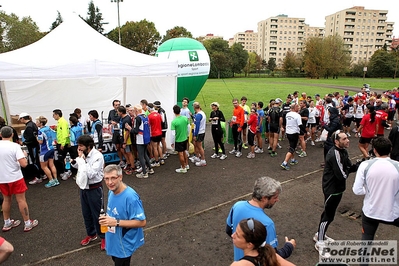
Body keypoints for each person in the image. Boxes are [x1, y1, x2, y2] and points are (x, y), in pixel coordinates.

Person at [353, 137, 399, 266]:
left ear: (374, 150)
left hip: (370, 212)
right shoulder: (397, 167)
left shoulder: (365, 165)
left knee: (366, 244)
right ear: (390, 150)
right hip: (393, 213)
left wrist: (370, 190)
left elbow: (357, 190)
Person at [226, 176, 296, 261]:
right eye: (275, 197)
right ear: (264, 198)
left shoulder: (237, 206)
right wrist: (289, 247)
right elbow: (272, 257)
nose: (277, 200)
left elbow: (229, 230)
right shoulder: (267, 223)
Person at [314, 130, 360, 258]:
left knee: (330, 215)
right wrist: (350, 170)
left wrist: (362, 163)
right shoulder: (334, 154)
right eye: (344, 139)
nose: (347, 140)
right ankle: (320, 241)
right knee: (327, 216)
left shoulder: (343, 151)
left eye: (347, 138)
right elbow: (342, 175)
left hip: (338, 188)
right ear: (336, 141)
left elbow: (350, 167)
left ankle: (320, 235)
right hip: (331, 190)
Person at [99, 164, 146, 266]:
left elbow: (142, 222)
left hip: (124, 244)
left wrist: (115, 222)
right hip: (114, 240)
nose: (109, 182)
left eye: (113, 178)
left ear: (120, 177)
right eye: (106, 179)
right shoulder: (111, 192)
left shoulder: (130, 197)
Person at [0, 126, 39, 232]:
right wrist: (25, 156)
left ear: (0, 134)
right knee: (21, 200)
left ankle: (7, 222)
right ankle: (27, 223)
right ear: (12, 135)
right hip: (15, 177)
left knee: (6, 199)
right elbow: (24, 164)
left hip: (2, 178)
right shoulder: (15, 146)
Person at [71, 134, 105, 250]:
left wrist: (82, 161)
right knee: (86, 213)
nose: (79, 148)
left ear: (88, 146)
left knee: (98, 214)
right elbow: (78, 167)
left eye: (81, 146)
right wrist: (75, 161)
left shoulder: (97, 156)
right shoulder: (83, 155)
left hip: (95, 188)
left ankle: (104, 237)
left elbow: (91, 173)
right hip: (84, 188)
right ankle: (91, 234)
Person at [230, 218, 295, 266]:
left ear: (250, 244)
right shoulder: (270, 255)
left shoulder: (240, 265)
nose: (232, 235)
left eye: (237, 235)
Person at [125, 105, 154, 179]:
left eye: (133, 110)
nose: (132, 112)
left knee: (141, 156)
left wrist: (129, 128)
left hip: (141, 139)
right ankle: (150, 169)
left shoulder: (137, 118)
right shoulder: (145, 116)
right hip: (146, 137)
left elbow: (136, 131)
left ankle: (144, 173)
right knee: (145, 154)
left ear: (136, 111)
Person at [36, 116, 59, 188]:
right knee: (52, 165)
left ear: (40, 123)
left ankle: (51, 180)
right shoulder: (49, 128)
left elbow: (40, 141)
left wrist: (36, 137)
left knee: (44, 167)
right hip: (51, 148)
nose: (36, 123)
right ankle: (56, 180)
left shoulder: (40, 131)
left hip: (44, 150)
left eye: (37, 122)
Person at [19, 112, 41, 185]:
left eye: (20, 119)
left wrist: (24, 143)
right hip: (35, 145)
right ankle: (41, 175)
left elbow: (31, 138)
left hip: (32, 146)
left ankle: (38, 177)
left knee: (35, 161)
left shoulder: (29, 126)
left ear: (23, 119)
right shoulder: (32, 124)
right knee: (36, 160)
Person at [280, 104, 301, 170]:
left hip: (288, 132)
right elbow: (300, 125)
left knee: (292, 146)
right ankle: (284, 162)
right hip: (294, 133)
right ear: (295, 108)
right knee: (292, 148)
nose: (299, 108)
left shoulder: (288, 114)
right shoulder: (297, 115)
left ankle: (292, 159)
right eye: (298, 107)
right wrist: (303, 132)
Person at [53, 109, 71, 180]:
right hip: (60, 142)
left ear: (57, 114)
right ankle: (64, 171)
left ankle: (66, 172)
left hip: (62, 143)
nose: (53, 116)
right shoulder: (59, 122)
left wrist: (63, 144)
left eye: (53, 115)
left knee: (62, 158)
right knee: (61, 158)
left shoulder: (63, 122)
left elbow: (65, 133)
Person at [171, 105, 190, 173]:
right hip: (185, 138)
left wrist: (172, 142)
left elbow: (173, 134)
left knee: (180, 153)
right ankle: (186, 164)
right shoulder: (185, 118)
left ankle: (183, 167)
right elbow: (188, 127)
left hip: (178, 140)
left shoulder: (174, 122)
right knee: (184, 151)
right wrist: (187, 135)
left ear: (174, 112)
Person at [108, 100, 124, 168]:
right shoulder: (111, 112)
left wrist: (117, 123)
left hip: (121, 132)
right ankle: (121, 161)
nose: (117, 106)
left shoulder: (122, 111)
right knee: (117, 147)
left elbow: (123, 120)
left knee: (123, 147)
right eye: (116, 105)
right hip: (114, 132)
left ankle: (127, 161)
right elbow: (109, 120)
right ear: (113, 106)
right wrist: (111, 121)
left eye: (118, 105)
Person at [192, 102, 207, 166]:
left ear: (194, 107)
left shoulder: (198, 115)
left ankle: (203, 160)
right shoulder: (201, 113)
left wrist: (195, 135)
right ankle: (198, 157)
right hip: (201, 131)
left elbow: (197, 126)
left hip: (199, 132)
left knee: (199, 146)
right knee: (196, 145)